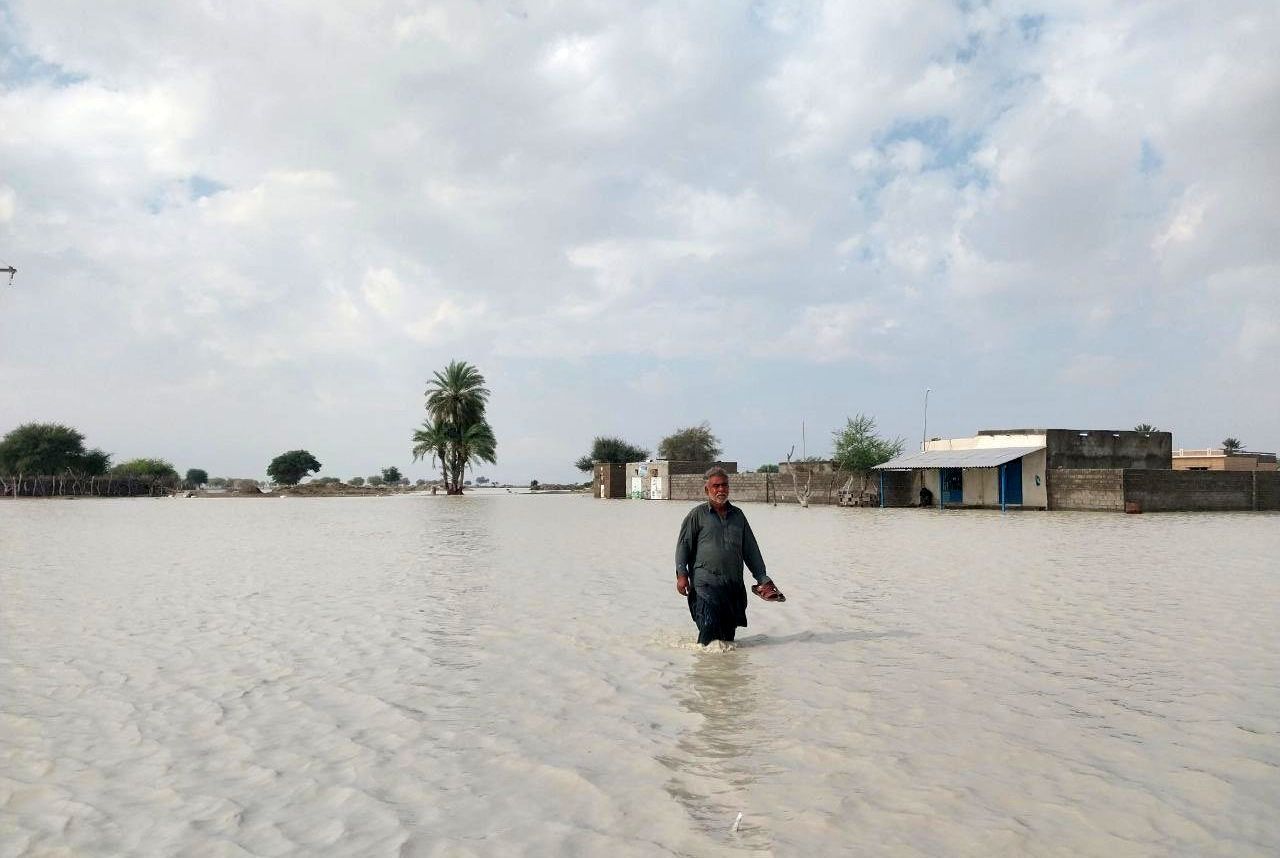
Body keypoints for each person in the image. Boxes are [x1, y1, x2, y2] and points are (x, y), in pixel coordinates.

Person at [675, 467, 784, 645]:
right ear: (706, 490)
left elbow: (751, 550)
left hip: (732, 587)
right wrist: (681, 575)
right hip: (705, 585)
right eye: (716, 486)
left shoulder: (738, 516)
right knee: (708, 629)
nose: (720, 490)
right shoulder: (697, 515)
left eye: (724, 485)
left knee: (727, 638)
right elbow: (683, 546)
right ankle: (702, 671)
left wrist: (762, 578)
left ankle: (725, 672)